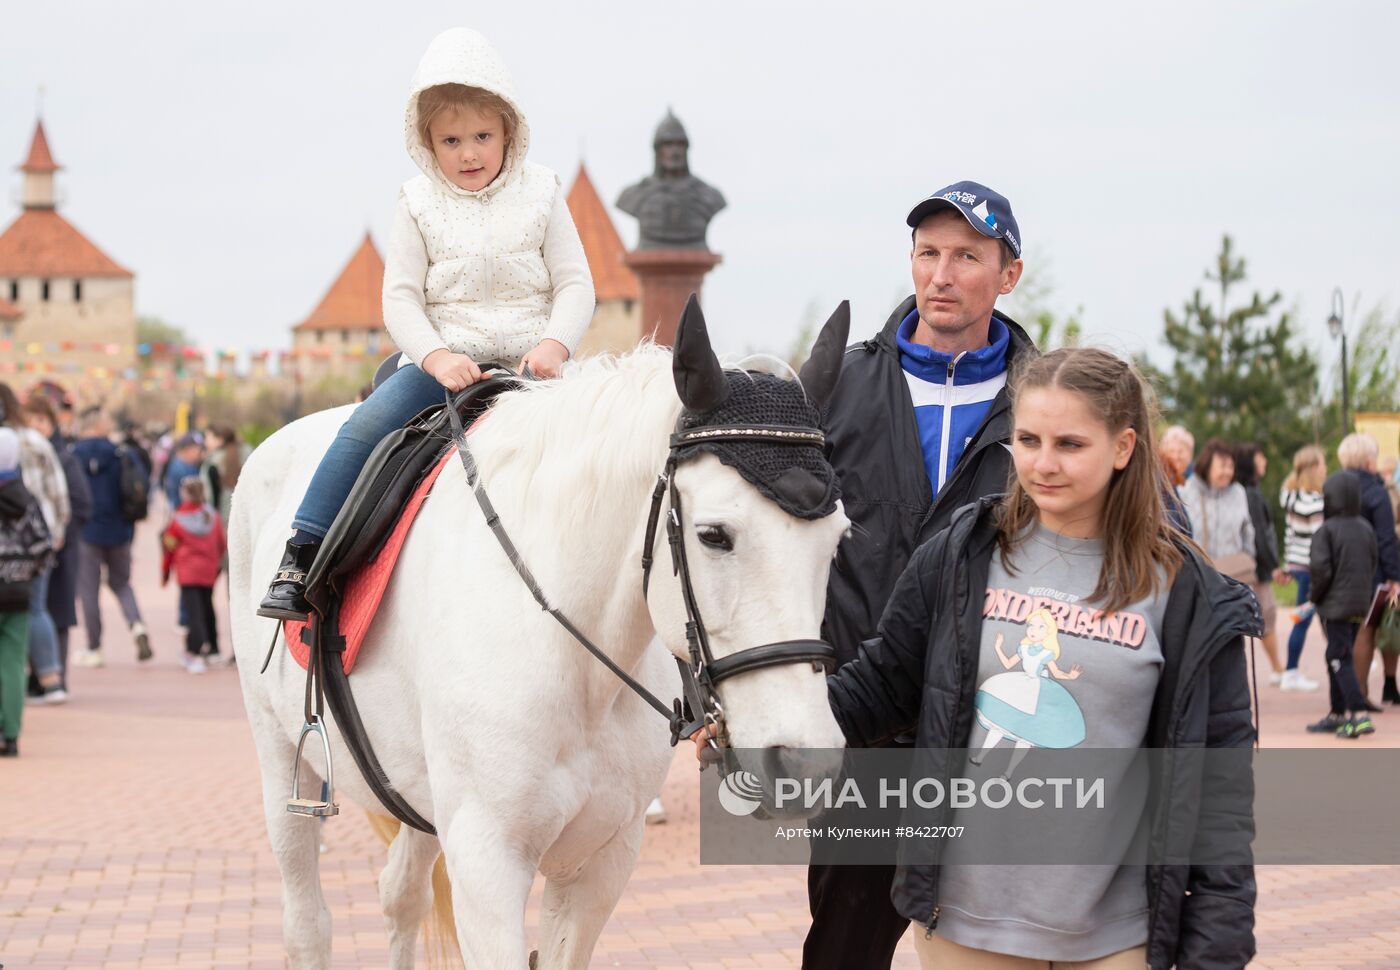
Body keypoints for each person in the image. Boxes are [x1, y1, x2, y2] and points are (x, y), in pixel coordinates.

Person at [820, 347, 1257, 969]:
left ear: (1124, 447)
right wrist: (751, 723)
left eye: (1070, 444)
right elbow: (878, 689)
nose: (1042, 464)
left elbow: (1221, 796)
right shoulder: (961, 557)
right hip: (965, 930)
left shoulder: (1186, 592)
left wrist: (1217, 948)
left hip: (1118, 935)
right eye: (1027, 439)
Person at [258, 26, 595, 620]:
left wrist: (554, 344)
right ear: (427, 143)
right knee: (368, 425)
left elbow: (574, 283)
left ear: (508, 130)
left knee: (605, 442)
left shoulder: (542, 191)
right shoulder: (417, 202)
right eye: (452, 140)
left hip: (532, 365)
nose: (469, 153)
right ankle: (302, 552)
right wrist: (437, 357)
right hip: (447, 365)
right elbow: (401, 299)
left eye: (482, 136)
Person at [803, 181, 1033, 969]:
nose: (941, 273)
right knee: (843, 951)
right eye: (928, 253)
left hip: (1001, 739)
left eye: (967, 256)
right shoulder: (836, 386)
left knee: (993, 953)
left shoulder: (1051, 402)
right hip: (866, 733)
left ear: (1009, 275)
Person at [1181, 439, 1281, 683]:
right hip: (1198, 573)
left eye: (1230, 466)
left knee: (1230, 633)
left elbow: (1248, 529)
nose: (1227, 471)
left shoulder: (1238, 493)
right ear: (1207, 465)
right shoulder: (1188, 489)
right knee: (1198, 633)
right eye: (1222, 465)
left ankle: (1229, 684)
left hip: (1231, 577)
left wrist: (1247, 557)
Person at [0, 384, 69, 704]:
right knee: (35, 608)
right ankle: (51, 679)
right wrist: (56, 531)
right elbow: (58, 492)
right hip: (36, 540)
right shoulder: (35, 440)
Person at [72, 408, 152, 666]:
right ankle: (136, 625)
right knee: (121, 583)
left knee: (89, 591)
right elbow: (142, 487)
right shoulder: (121, 453)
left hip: (86, 532)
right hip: (119, 531)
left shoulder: (73, 455)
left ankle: (94, 648)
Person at [23, 397, 91, 694]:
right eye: (30, 420)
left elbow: (81, 504)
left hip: (59, 548)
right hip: (32, 548)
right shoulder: (23, 452)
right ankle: (37, 678)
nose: (35, 427)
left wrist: (60, 533)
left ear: (51, 424)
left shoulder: (62, 457)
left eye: (41, 421)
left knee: (55, 613)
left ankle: (55, 677)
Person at [1306, 470, 1379, 737]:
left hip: (1334, 604)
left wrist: (1314, 597)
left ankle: (1358, 714)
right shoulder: (1365, 527)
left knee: (1338, 656)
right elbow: (1373, 563)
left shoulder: (1326, 531)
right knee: (1338, 654)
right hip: (1360, 603)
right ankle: (1337, 713)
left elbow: (1321, 570)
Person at [0, 428, 57, 757]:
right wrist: (26, 572)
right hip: (19, 592)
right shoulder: (26, 499)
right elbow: (44, 547)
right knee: (12, 662)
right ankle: (12, 735)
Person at [1334, 434, 1400, 708]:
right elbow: (1386, 537)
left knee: (1344, 632)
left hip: (1340, 568)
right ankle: (1359, 694)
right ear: (1369, 459)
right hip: (1371, 570)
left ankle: (1346, 693)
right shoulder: (1376, 491)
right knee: (1365, 630)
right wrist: (1395, 575)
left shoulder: (1335, 486)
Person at [161, 478, 227, 674]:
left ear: (185, 494)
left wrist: (165, 572)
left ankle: (195, 652)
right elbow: (221, 543)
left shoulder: (177, 520)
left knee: (194, 612)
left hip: (188, 573)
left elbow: (169, 547)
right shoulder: (212, 517)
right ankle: (214, 648)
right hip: (208, 570)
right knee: (207, 606)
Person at [1233, 442, 1286, 684]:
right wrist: (1272, 564)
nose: (1264, 461)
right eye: (1260, 457)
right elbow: (1260, 533)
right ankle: (1279, 670)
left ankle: (1279, 668)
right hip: (1255, 567)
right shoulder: (1250, 494)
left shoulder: (1242, 491)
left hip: (1250, 564)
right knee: (1266, 615)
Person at [1279, 445, 1326, 691]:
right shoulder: (1315, 503)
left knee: (1309, 616)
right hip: (1312, 568)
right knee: (1304, 619)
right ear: (1314, 468)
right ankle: (1291, 671)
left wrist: (1287, 563)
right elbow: (1320, 540)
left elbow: (1290, 534)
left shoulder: (1291, 496)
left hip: (1296, 564)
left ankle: (1292, 670)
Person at [201, 424, 247, 526]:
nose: (205, 442)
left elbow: (208, 495)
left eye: (208, 437)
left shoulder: (212, 461)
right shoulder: (247, 452)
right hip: (245, 515)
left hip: (222, 518)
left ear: (220, 440)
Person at [162, 433, 204, 516]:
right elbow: (175, 499)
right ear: (187, 449)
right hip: (185, 515)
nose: (200, 453)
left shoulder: (191, 464)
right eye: (197, 449)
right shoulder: (179, 468)